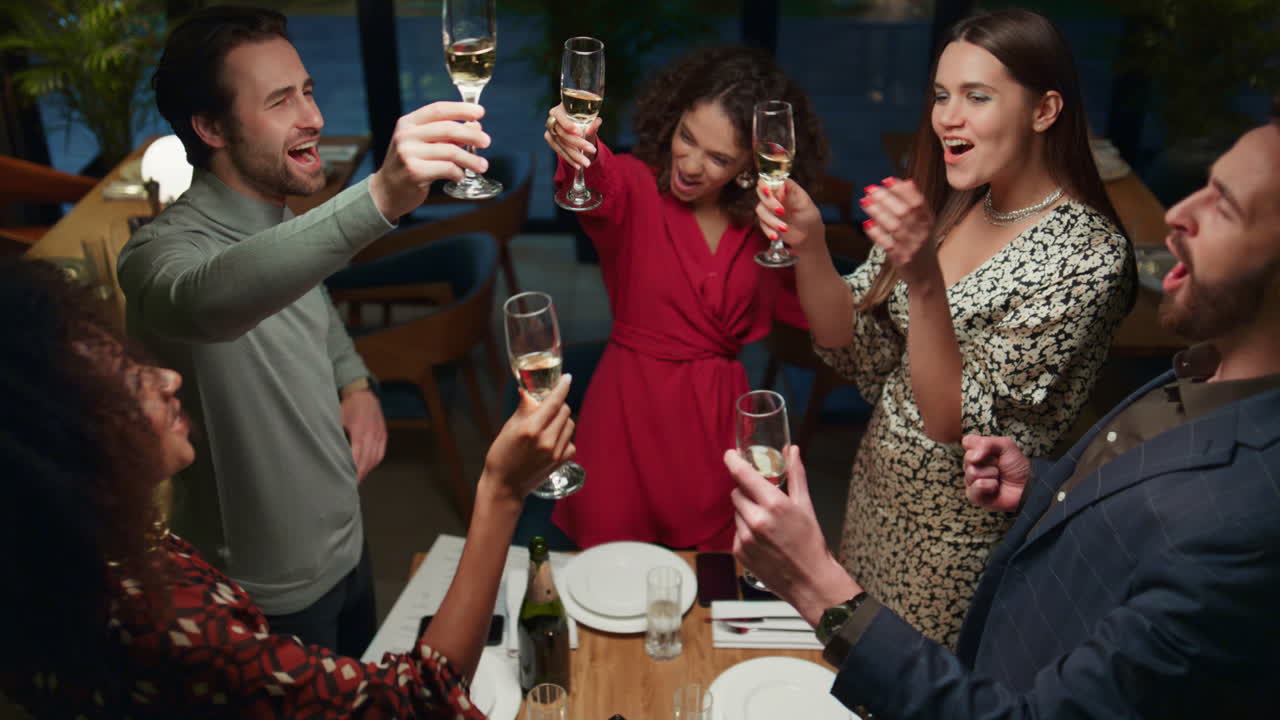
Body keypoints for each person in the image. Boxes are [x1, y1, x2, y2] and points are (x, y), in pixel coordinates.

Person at [726, 111, 1280, 718]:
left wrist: (815, 586)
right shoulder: (1203, 372)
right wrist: (1043, 487)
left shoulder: (1243, 527)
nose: (1177, 213)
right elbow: (864, 342)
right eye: (942, 92)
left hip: (952, 557)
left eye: (1225, 205)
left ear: (1042, 110)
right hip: (885, 508)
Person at [0, 258, 577, 718]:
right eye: (133, 383)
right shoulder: (162, 625)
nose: (169, 379)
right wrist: (500, 492)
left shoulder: (71, 555)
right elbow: (414, 702)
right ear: (65, 441)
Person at [753, 8, 1135, 645]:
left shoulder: (1087, 259)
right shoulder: (956, 199)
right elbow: (850, 342)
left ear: (1044, 111)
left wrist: (924, 276)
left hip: (959, 545)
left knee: (916, 691)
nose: (946, 117)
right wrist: (812, 243)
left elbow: (954, 424)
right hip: (876, 497)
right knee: (849, 671)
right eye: (941, 95)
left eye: (976, 97)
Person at [117, 6, 490, 654]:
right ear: (210, 127)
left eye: (309, 91)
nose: (314, 117)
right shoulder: (157, 257)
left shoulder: (279, 228)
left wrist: (354, 380)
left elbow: (305, 293)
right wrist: (379, 198)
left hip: (348, 542)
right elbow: (211, 299)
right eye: (281, 100)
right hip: (267, 592)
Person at [542, 46, 828, 550]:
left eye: (718, 157)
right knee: (608, 585)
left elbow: (815, 323)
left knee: (711, 594)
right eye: (686, 137)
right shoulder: (635, 187)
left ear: (751, 164)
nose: (692, 165)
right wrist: (577, 143)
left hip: (714, 430)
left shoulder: (766, 228)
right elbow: (599, 175)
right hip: (626, 418)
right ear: (672, 120)